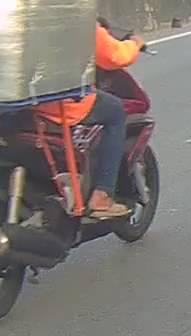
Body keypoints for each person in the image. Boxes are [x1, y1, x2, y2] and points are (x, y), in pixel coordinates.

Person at [36, 23, 144, 219]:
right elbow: (115, 56)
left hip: (9, 106)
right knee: (115, 111)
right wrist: (135, 43)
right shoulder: (75, 18)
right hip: (59, 103)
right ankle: (102, 195)